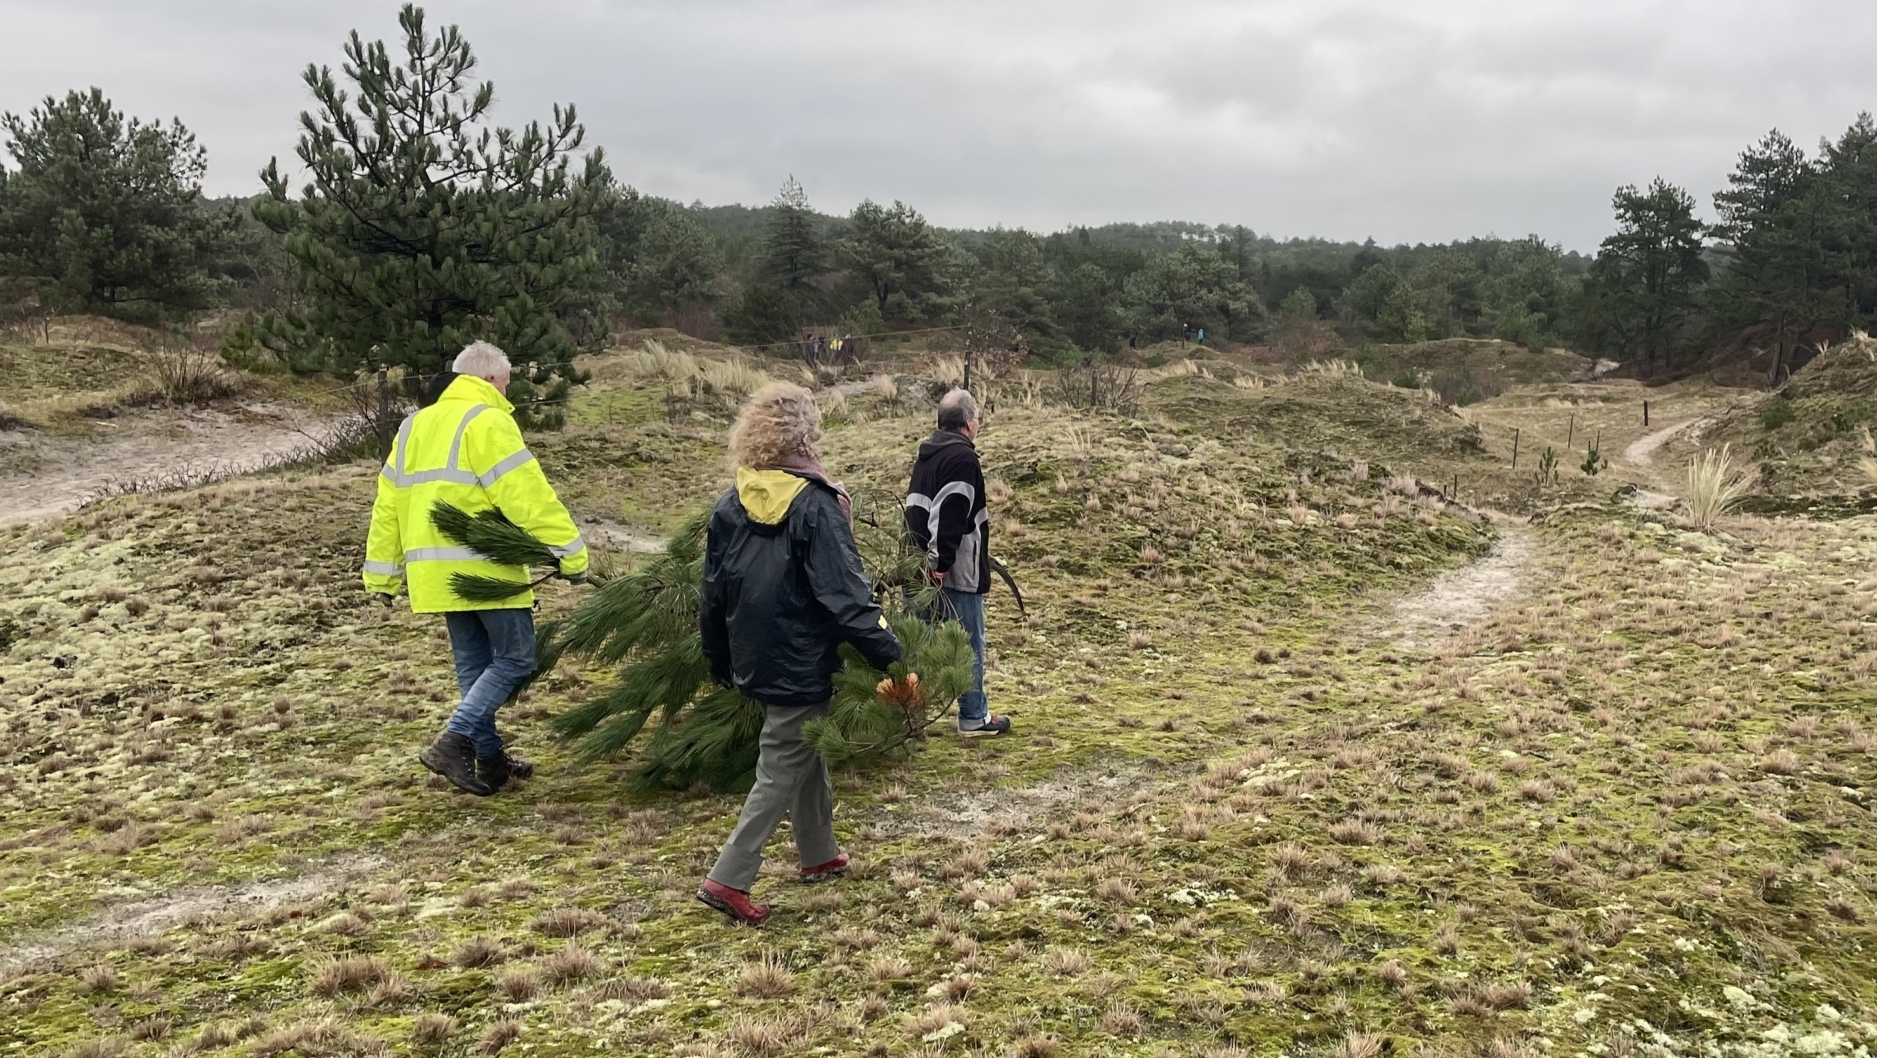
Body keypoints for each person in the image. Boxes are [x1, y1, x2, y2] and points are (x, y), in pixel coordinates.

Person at [697, 382, 905, 926]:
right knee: (781, 764)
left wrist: (718, 657)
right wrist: (893, 656)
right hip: (802, 656)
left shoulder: (730, 504)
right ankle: (728, 877)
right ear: (806, 437)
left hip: (754, 651)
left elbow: (713, 592)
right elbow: (847, 596)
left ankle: (818, 853)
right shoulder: (817, 505)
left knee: (803, 745)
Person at [363, 342, 589, 797]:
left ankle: (489, 760)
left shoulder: (412, 426)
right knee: (516, 658)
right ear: (488, 380)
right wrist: (570, 552)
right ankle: (454, 740)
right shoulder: (487, 421)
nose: (507, 392)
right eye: (505, 383)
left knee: (473, 667)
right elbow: (527, 496)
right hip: (487, 568)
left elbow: (387, 506)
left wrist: (382, 575)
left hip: (435, 575)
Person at [904, 389, 1012, 737]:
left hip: (916, 566)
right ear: (968, 423)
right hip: (951, 571)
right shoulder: (962, 459)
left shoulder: (928, 455)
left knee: (915, 643)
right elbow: (949, 512)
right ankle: (973, 717)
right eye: (977, 418)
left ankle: (907, 720)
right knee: (967, 643)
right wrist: (940, 562)